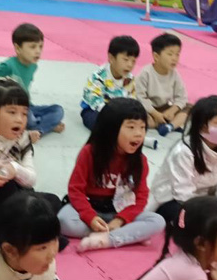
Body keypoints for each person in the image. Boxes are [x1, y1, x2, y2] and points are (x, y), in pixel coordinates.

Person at [59, 98, 166, 251]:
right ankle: (127, 235)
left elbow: (141, 197)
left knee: (157, 221)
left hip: (120, 211)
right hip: (91, 207)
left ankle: (108, 239)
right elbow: (75, 190)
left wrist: (121, 220)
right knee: (64, 220)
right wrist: (90, 217)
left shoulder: (140, 161)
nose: (138, 134)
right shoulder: (89, 153)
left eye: (142, 127)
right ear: (111, 129)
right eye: (131, 127)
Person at [0, 79, 62, 223]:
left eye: (24, 113)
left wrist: (15, 169)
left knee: (54, 201)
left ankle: (19, 220)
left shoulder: (23, 137)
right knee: (7, 189)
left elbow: (31, 180)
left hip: (16, 195)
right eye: (12, 112)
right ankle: (21, 221)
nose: (20, 120)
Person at [149, 95, 217, 230]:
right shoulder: (184, 152)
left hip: (208, 199)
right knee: (183, 216)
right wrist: (209, 210)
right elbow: (183, 193)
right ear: (203, 127)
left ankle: (216, 223)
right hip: (176, 201)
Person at [0, 23, 65, 142]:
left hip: (27, 105)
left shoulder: (33, 65)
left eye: (40, 47)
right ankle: (44, 126)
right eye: (33, 47)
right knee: (30, 120)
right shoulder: (8, 66)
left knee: (58, 110)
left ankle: (38, 130)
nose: (38, 51)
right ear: (18, 48)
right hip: (11, 107)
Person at [80, 35, 139, 130]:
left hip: (119, 114)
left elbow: (132, 100)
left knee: (138, 121)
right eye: (125, 60)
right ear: (111, 58)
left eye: (133, 61)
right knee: (96, 121)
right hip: (95, 110)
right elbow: (93, 99)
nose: (129, 65)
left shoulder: (130, 79)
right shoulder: (99, 76)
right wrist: (112, 114)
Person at [135, 32, 188, 135]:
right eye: (170, 54)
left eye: (177, 54)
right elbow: (140, 97)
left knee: (191, 109)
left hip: (165, 108)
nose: (174, 58)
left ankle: (169, 126)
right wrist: (155, 114)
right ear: (156, 56)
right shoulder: (146, 73)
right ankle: (162, 123)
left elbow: (182, 97)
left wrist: (173, 110)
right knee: (136, 115)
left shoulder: (174, 73)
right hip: (149, 110)